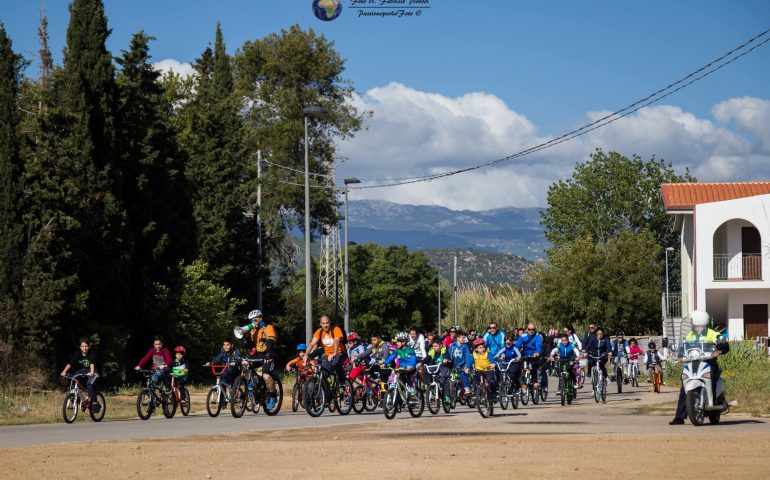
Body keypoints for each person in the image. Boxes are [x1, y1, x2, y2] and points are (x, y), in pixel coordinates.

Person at [670, 309, 730, 425]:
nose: (691, 323)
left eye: (692, 320)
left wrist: (721, 348)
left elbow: (722, 341)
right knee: (684, 384)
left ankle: (714, 401)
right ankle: (679, 417)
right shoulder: (690, 334)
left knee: (711, 376)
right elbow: (683, 347)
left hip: (709, 362)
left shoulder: (712, 333)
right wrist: (678, 355)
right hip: (692, 362)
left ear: (698, 320)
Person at [246, 309, 279, 410]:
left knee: (266, 376)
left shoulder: (268, 328)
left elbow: (270, 342)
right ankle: (252, 383)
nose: (253, 322)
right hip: (258, 355)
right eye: (251, 320)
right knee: (245, 365)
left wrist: (268, 355)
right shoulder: (254, 331)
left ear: (260, 318)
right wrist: (247, 335)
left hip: (269, 355)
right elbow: (250, 345)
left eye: (255, 320)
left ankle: (272, 395)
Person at [305, 315, 346, 385]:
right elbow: (312, 344)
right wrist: (306, 355)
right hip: (327, 355)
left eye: (327, 323)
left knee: (335, 364)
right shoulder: (319, 332)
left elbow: (336, 340)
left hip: (339, 353)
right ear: (320, 324)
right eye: (323, 323)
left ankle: (342, 380)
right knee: (323, 374)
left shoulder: (336, 329)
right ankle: (326, 394)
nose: (325, 325)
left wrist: (334, 353)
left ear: (330, 322)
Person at [60, 337, 98, 405]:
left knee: (89, 385)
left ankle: (95, 402)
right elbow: (70, 363)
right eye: (83, 346)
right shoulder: (78, 354)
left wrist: (92, 372)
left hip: (93, 372)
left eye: (86, 346)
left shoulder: (92, 353)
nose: (84, 348)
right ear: (80, 347)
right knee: (72, 379)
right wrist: (64, 371)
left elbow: (92, 363)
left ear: (89, 347)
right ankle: (74, 397)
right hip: (83, 371)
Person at [515, 323, 543, 389]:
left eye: (533, 329)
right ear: (527, 329)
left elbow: (539, 345)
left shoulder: (538, 336)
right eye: (529, 329)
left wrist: (537, 352)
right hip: (525, 354)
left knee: (534, 367)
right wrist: (516, 353)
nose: (531, 331)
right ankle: (524, 382)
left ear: (535, 330)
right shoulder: (523, 336)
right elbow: (517, 346)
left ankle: (535, 381)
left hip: (534, 355)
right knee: (522, 367)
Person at [426, 339, 452, 404]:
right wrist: (421, 363)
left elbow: (447, 355)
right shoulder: (431, 351)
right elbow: (427, 358)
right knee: (427, 372)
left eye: (436, 346)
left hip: (444, 366)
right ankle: (431, 387)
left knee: (443, 378)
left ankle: (447, 396)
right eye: (433, 346)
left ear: (440, 346)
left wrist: (446, 359)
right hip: (435, 366)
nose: (434, 348)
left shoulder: (444, 350)